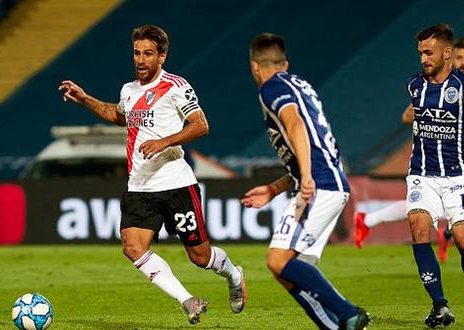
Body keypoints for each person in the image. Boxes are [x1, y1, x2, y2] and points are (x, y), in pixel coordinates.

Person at [57, 25, 246, 324]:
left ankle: (234, 276)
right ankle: (188, 300)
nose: (141, 60)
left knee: (200, 258)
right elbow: (118, 116)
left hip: (176, 184)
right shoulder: (129, 90)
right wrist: (85, 99)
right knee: (132, 247)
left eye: (148, 53)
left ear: (162, 56)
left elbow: (200, 125)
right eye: (136, 53)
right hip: (140, 185)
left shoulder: (176, 86)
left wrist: (164, 141)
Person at [241, 33, 369, 330]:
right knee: (289, 270)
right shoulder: (302, 85)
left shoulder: (272, 88)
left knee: (278, 261)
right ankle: (337, 326)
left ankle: (348, 313)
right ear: (284, 63)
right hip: (330, 181)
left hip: (319, 185)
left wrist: (307, 178)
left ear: (254, 67)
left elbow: (295, 123)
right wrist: (275, 188)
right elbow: (311, 143)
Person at [355, 40, 464, 259]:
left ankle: (368, 220)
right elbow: (407, 116)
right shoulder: (438, 88)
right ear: (449, 57)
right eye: (460, 58)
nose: (462, 63)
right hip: (438, 160)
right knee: (424, 204)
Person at [404, 23, 464, 328]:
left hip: (459, 176)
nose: (423, 58)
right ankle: (440, 305)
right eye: (420, 53)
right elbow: (409, 117)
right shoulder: (415, 86)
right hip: (422, 174)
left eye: (429, 53)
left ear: (447, 53)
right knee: (418, 226)